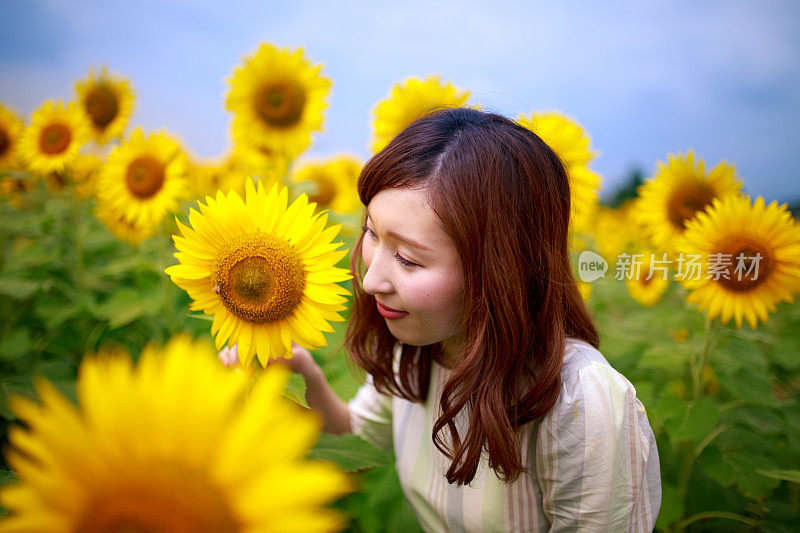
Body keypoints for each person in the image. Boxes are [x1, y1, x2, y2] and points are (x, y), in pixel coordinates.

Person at [225, 107, 662, 532]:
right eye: (373, 233)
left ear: (499, 269)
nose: (372, 278)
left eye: (409, 259)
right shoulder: (418, 347)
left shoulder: (581, 405)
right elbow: (356, 436)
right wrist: (301, 372)